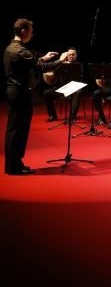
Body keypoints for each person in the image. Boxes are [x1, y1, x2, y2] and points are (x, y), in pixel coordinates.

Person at [3, 18, 67, 175]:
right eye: (30, 31)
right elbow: (40, 66)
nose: (32, 34)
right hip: (20, 93)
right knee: (19, 130)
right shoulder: (19, 50)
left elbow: (31, 61)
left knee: (14, 129)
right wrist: (61, 60)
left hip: (13, 91)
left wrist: (44, 57)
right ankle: (14, 167)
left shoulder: (12, 47)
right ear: (23, 31)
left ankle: (14, 164)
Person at [43, 47, 84, 122]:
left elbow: (78, 78)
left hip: (73, 89)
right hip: (61, 88)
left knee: (78, 92)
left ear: (76, 56)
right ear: (66, 55)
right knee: (46, 93)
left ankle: (72, 117)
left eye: (73, 54)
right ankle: (53, 115)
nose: (71, 56)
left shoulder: (79, 65)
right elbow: (53, 74)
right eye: (69, 55)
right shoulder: (61, 65)